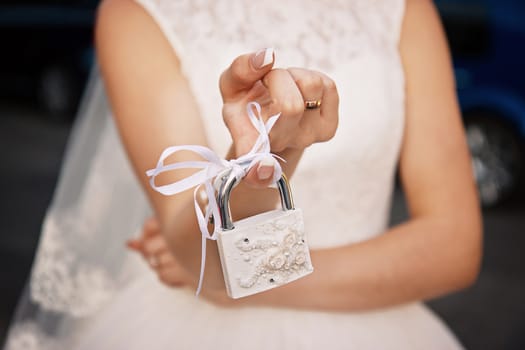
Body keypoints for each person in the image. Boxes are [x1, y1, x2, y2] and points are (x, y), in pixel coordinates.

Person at [4, 0, 482, 349]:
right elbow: (200, 255)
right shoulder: (138, 12)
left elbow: (454, 245)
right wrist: (266, 155)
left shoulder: (404, 9)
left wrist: (257, 279)